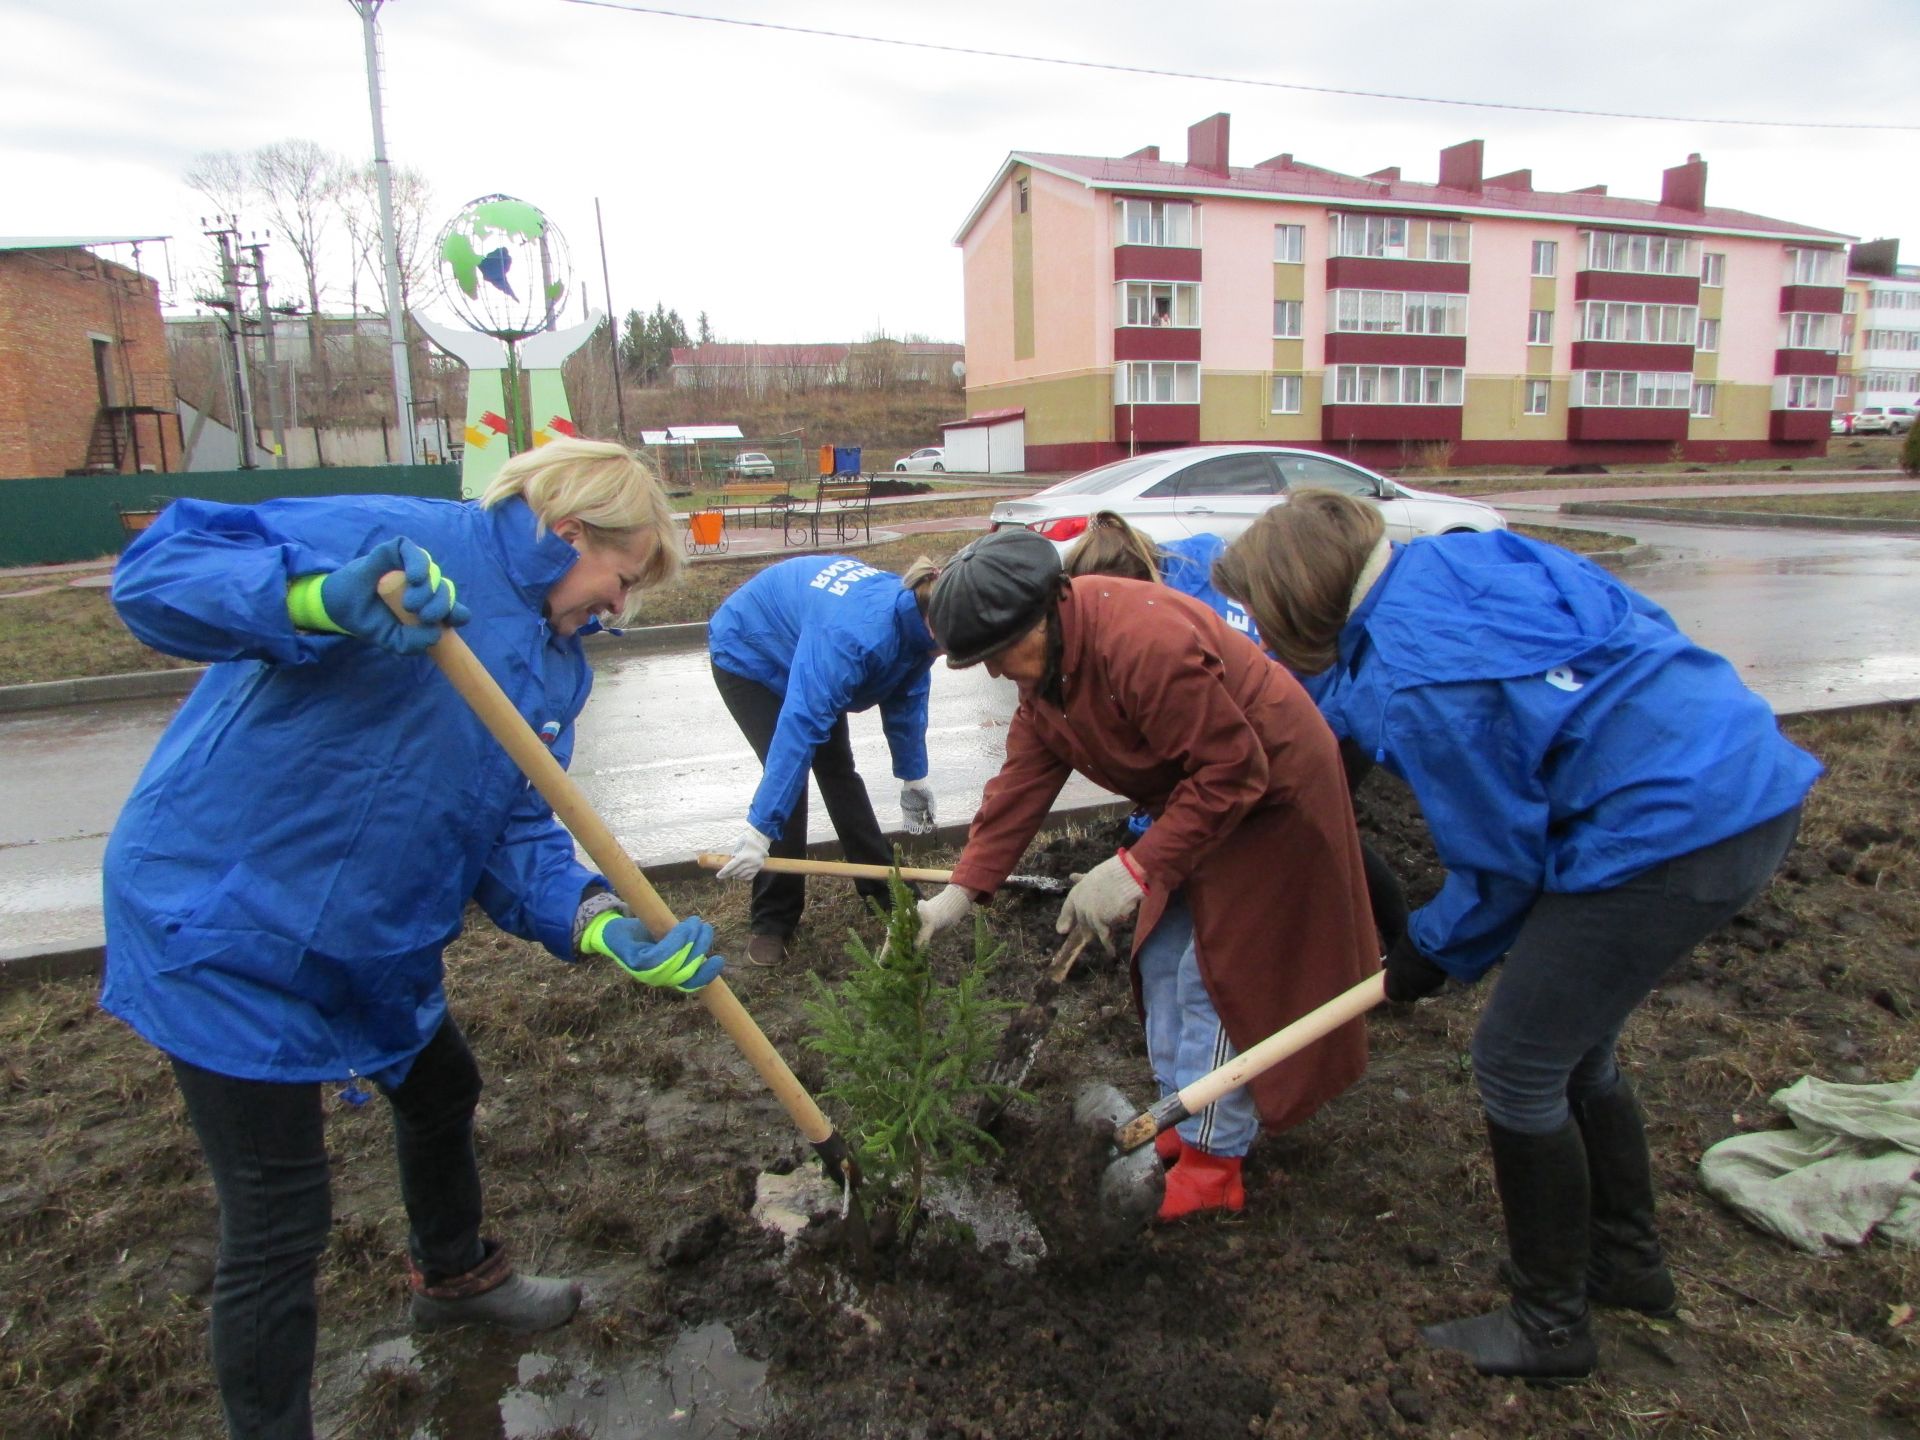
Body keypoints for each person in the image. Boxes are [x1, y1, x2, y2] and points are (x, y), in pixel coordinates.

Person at [102, 438, 727, 1440]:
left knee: (440, 1088)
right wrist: (314, 601)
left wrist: (601, 926)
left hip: (370, 933)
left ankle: (455, 1278)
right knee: (277, 1221)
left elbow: (513, 832)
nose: (618, 608)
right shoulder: (407, 542)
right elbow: (159, 574)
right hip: (226, 914)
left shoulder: (555, 669)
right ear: (570, 531)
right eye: (621, 577)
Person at [1213, 491, 1820, 1380]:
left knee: (1517, 1063)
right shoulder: (1462, 559)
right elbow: (1624, 625)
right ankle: (1628, 1264)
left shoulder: (1419, 686)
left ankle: (1550, 1327)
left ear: (1301, 602)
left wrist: (1428, 948)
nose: (1263, 638)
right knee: (1577, 1049)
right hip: (1742, 775)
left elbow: (1501, 868)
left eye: (1266, 619)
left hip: (1664, 832)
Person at [914, 528, 1379, 1220]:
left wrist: (1137, 865)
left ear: (1041, 611)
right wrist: (962, 887)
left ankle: (1215, 1163)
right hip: (1203, 801)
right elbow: (1023, 778)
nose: (992, 673)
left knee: (1217, 977)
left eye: (996, 654)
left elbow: (1235, 771)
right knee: (1161, 955)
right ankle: (1178, 1117)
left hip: (1271, 801)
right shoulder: (1048, 668)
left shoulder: (1141, 645)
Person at [1063, 511, 1408, 950]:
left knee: (1304, 829)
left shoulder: (1175, 629)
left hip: (1323, 710)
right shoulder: (1164, 587)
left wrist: (1143, 852)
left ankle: (1389, 943)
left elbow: (1223, 756)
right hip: (1271, 720)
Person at [709, 554, 943, 966]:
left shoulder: (918, 625)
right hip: (751, 651)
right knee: (790, 777)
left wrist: (913, 776)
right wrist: (760, 830)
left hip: (807, 646)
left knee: (838, 772)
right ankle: (773, 920)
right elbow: (797, 730)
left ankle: (886, 890)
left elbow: (907, 695)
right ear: (935, 622)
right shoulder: (855, 636)